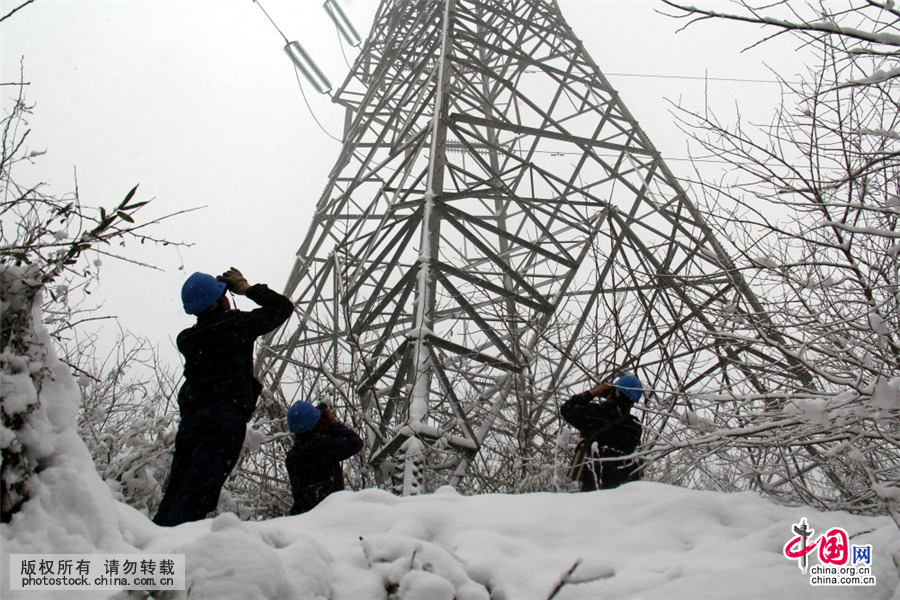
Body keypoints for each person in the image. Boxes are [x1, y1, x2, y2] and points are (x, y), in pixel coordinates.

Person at [153, 267, 293, 526]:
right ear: (220, 300)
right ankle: (176, 553)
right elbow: (282, 307)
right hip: (223, 419)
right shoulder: (236, 326)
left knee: (177, 489)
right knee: (198, 492)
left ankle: (157, 544)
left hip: (192, 422)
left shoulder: (188, 339)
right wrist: (246, 288)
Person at [561, 374, 643, 491]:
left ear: (615, 392)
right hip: (623, 487)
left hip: (594, 481)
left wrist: (592, 393)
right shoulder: (635, 426)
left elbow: (567, 409)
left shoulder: (595, 413)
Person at [284, 401, 363, 515]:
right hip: (328, 514)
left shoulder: (292, 457)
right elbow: (355, 442)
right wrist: (333, 425)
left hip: (302, 515)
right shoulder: (321, 447)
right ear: (315, 424)